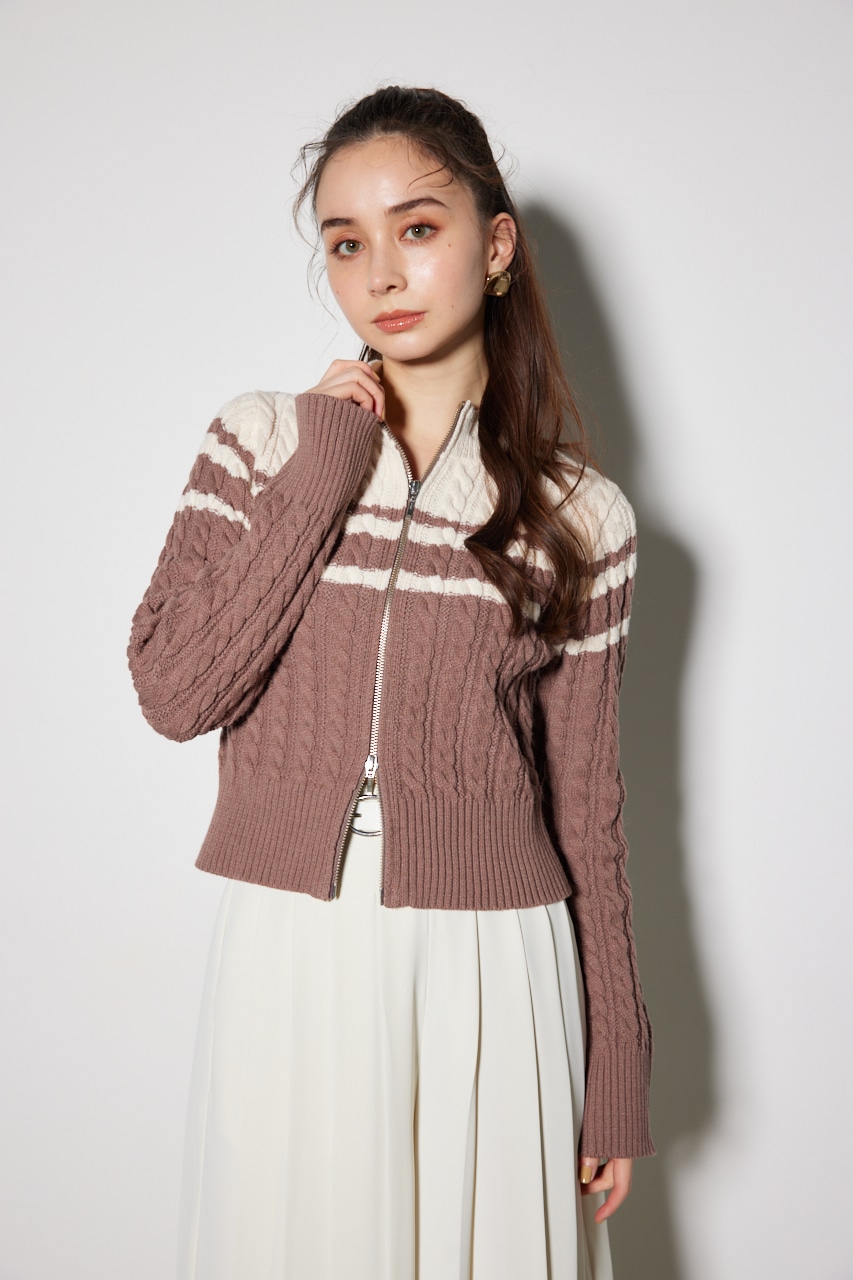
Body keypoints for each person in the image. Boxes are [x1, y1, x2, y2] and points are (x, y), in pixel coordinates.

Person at [128, 84, 655, 1280]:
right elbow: (173, 690)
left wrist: (616, 1061)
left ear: (496, 244)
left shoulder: (581, 516)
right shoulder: (267, 440)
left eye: (417, 228)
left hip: (493, 955)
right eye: (345, 242)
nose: (381, 274)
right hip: (293, 941)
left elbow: (588, 808)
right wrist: (324, 468)